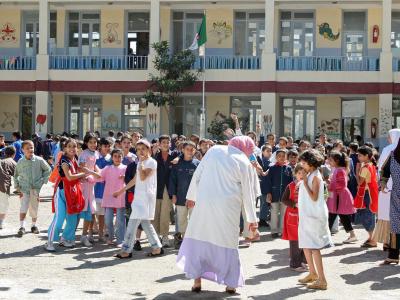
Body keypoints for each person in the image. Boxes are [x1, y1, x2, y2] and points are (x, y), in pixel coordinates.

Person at [177, 136, 259, 294]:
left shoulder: (214, 150)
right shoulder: (244, 161)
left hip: (204, 203)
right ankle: (231, 284)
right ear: (247, 148)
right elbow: (249, 194)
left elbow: (198, 173)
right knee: (228, 242)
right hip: (228, 208)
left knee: (200, 237)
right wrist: (252, 221)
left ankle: (197, 281)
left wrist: (191, 196)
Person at [113, 139, 163, 258]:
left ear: (148, 150)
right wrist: (121, 191)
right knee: (145, 223)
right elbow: (135, 180)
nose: (140, 151)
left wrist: (140, 164)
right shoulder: (139, 162)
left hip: (146, 197)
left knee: (132, 223)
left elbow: (143, 176)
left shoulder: (152, 162)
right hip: (139, 197)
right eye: (138, 149)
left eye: (143, 149)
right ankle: (157, 247)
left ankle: (126, 250)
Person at [298, 149, 333, 290]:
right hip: (307, 215)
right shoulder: (311, 174)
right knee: (306, 245)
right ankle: (312, 273)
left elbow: (314, 197)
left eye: (304, 162)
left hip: (315, 216)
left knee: (314, 247)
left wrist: (305, 182)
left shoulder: (316, 177)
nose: (302, 164)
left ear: (311, 163)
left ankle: (322, 279)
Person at [46, 138, 87, 251]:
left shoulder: (75, 159)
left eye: (74, 146)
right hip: (62, 192)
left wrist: (87, 174)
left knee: (72, 218)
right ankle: (49, 241)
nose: (72, 148)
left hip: (72, 192)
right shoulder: (64, 160)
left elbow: (77, 174)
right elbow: (69, 177)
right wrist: (82, 174)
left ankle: (65, 239)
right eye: (69, 146)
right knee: (59, 218)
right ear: (64, 148)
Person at [14, 140, 51, 237]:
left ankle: (33, 226)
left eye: (32, 147)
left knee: (34, 208)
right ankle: (22, 227)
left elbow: (48, 170)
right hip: (24, 189)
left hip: (35, 189)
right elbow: (16, 175)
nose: (30, 149)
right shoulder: (20, 162)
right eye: (27, 148)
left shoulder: (39, 160)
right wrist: (17, 187)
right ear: (22, 150)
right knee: (23, 207)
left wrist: (43, 181)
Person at [169, 141, 200, 249]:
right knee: (181, 219)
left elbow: (200, 182)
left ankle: (192, 240)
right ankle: (184, 238)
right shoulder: (177, 164)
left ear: (195, 150)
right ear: (182, 150)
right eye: (187, 149)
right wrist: (173, 194)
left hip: (194, 198)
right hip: (180, 196)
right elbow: (172, 180)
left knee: (194, 219)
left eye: (192, 149)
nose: (190, 151)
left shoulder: (198, 164)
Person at [373, 129, 400, 251]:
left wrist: (383, 183)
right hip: (394, 191)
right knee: (394, 220)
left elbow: (382, 169)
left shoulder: (391, 151)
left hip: (391, 191)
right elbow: (385, 169)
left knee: (391, 219)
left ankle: (389, 246)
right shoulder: (393, 152)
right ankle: (393, 250)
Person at [153, 135, 179, 247]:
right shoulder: (155, 155)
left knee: (165, 213)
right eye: (163, 142)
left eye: (167, 142)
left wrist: (179, 158)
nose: (165, 144)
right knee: (155, 213)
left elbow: (184, 155)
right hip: (155, 187)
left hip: (168, 188)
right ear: (159, 143)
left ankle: (164, 236)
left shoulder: (174, 154)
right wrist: (153, 154)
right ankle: (155, 236)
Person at [281, 163, 307, 272]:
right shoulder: (290, 186)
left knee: (305, 239)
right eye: (299, 173)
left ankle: (303, 261)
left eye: (304, 173)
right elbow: (284, 199)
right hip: (292, 216)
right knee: (295, 241)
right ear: (295, 174)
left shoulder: (307, 185)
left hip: (304, 216)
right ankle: (295, 264)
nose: (301, 175)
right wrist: (293, 204)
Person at [326, 151, 357, 243]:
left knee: (333, 216)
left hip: (339, 197)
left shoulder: (340, 170)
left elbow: (342, 185)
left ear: (337, 160)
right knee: (341, 216)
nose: (329, 162)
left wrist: (330, 186)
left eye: (331, 160)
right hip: (337, 197)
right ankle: (352, 234)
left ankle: (325, 237)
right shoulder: (338, 169)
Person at [78, 133, 101, 247]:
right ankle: (72, 235)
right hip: (84, 185)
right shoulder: (83, 154)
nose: (93, 144)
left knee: (90, 210)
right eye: (91, 142)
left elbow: (95, 166)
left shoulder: (96, 153)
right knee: (83, 210)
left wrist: (99, 172)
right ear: (86, 143)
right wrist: (93, 173)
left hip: (91, 185)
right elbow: (81, 167)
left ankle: (85, 235)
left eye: (95, 142)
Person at [380, 137, 400, 265]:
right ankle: (393, 255)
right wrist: (383, 182)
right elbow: (385, 170)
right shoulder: (394, 155)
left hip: (397, 196)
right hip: (397, 197)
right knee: (395, 226)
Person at [101, 149, 127, 245]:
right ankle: (110, 237)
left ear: (122, 157)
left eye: (119, 156)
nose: (117, 158)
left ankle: (120, 239)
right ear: (112, 157)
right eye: (115, 156)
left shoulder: (125, 168)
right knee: (108, 219)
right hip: (109, 196)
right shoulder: (107, 168)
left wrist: (125, 177)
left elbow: (131, 180)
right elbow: (99, 177)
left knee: (120, 220)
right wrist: (88, 177)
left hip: (120, 196)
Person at [265, 149, 293, 238]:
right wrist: (269, 193)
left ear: (286, 157)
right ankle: (274, 231)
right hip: (274, 194)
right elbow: (268, 182)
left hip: (285, 196)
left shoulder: (289, 168)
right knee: (274, 212)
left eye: (283, 156)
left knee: (284, 213)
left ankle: (282, 230)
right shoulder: (272, 168)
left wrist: (290, 194)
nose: (281, 157)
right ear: (276, 157)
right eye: (279, 156)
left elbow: (291, 183)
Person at [355, 146, 378, 248]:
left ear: (366, 156)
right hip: (370, 193)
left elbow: (360, 182)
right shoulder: (371, 165)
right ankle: (371, 237)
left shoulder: (365, 167)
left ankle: (372, 239)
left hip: (366, 194)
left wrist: (357, 171)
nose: (358, 157)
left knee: (367, 215)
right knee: (369, 214)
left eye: (360, 155)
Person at [94, 138, 112, 242]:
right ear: (100, 146)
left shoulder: (111, 159)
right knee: (96, 212)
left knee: (105, 213)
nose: (107, 148)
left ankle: (104, 232)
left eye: (109, 146)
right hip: (97, 189)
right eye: (105, 146)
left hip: (107, 190)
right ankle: (94, 232)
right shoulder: (95, 158)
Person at [0, 146, 16, 229]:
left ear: (5, 153)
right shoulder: (12, 162)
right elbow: (18, 176)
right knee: (3, 205)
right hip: (3, 186)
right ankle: (0, 223)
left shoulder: (1, 161)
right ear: (14, 154)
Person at [258, 145, 272, 227]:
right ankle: (262, 219)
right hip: (264, 185)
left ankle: (263, 218)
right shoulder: (263, 161)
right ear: (263, 152)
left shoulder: (269, 161)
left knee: (265, 203)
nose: (269, 152)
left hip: (267, 185)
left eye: (270, 151)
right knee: (264, 203)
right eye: (267, 151)